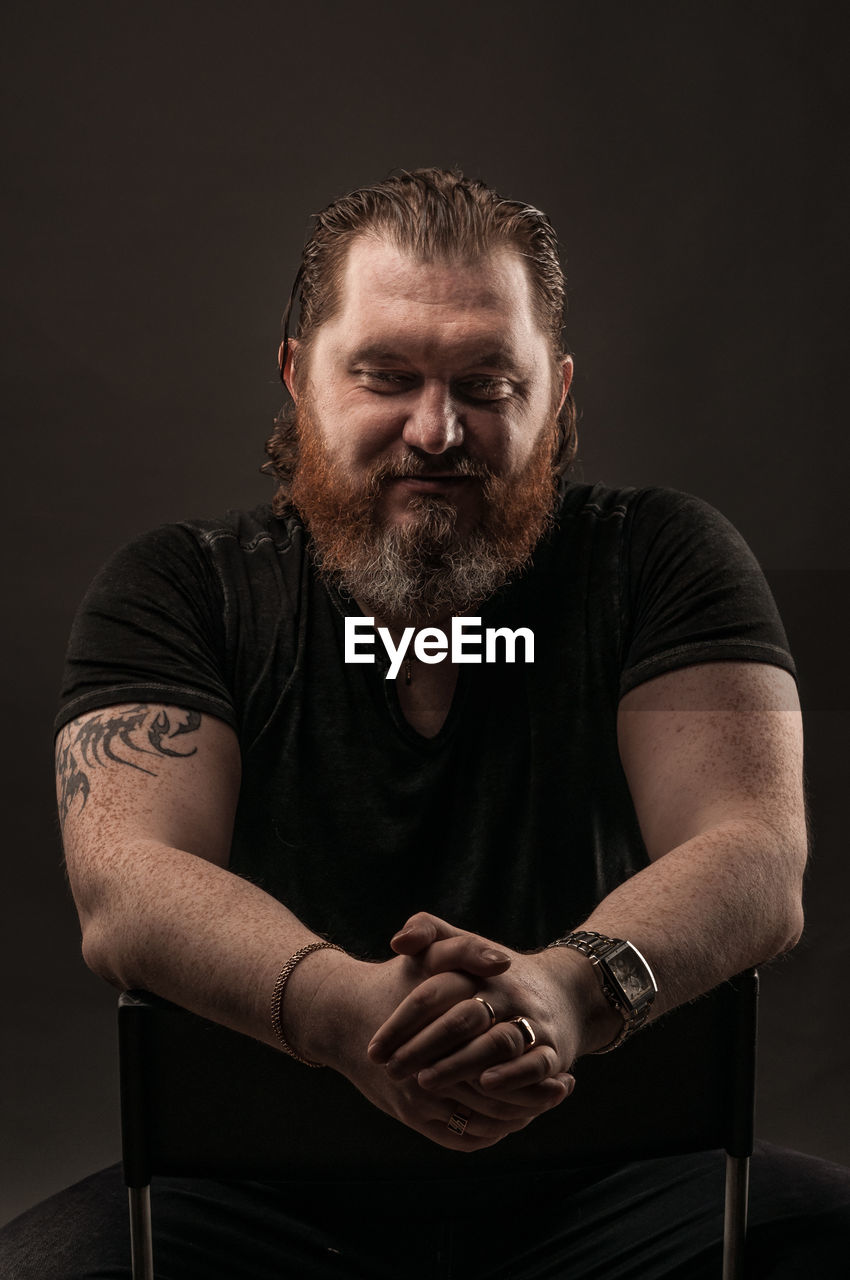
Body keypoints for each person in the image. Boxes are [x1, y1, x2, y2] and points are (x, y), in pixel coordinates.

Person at [3, 167, 848, 1278]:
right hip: (255, 1188)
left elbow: (753, 848)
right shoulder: (178, 589)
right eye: (387, 376)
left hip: (624, 1178)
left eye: (488, 385)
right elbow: (128, 880)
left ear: (558, 392)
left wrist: (566, 987)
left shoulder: (662, 559)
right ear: (298, 373)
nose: (437, 429)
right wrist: (349, 1011)